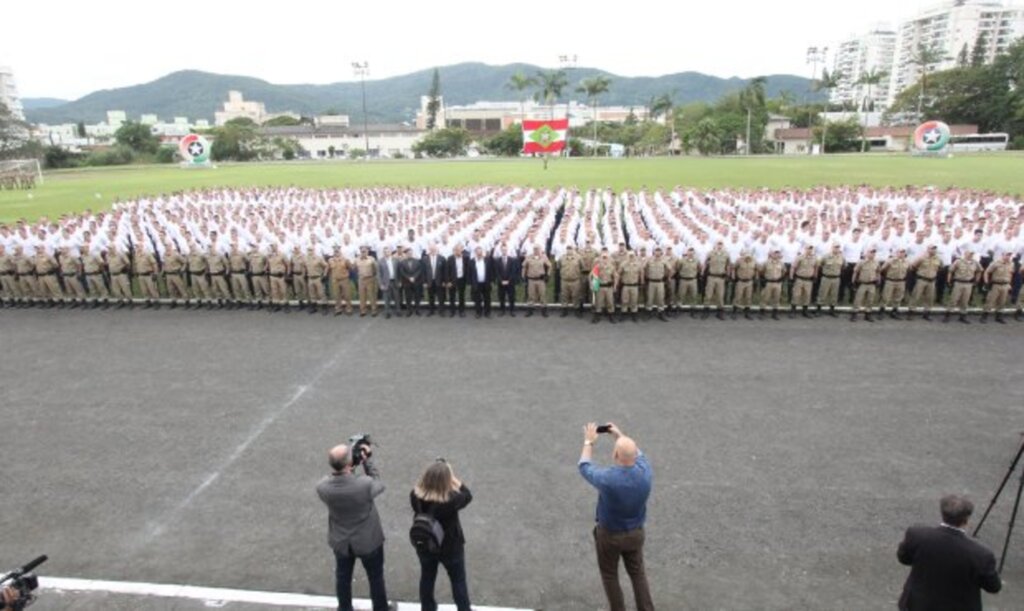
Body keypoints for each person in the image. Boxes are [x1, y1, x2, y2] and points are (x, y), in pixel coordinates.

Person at [579, 422, 654, 611]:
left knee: (610, 575)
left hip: (610, 535)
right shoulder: (645, 471)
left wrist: (589, 441)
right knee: (637, 573)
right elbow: (636, 452)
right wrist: (619, 435)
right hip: (635, 533)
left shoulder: (608, 479)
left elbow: (584, 466)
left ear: (615, 455)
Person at [316, 442, 394, 611]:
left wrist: (349, 467)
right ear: (349, 463)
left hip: (341, 541)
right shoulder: (364, 485)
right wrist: (367, 461)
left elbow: (339, 481)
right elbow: (378, 484)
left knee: (343, 578)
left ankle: (344, 608)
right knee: (375, 577)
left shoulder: (322, 487)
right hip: (368, 541)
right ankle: (380, 608)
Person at [897, 494, 1001, 611]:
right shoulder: (981, 555)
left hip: (917, 604)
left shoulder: (916, 535)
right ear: (966, 520)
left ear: (943, 514)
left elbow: (904, 558)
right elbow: (993, 587)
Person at [410, 459, 474, 611]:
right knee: (458, 581)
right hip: (451, 547)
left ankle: (428, 608)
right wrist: (453, 479)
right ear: (446, 481)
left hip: (425, 544)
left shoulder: (414, 495)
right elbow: (467, 495)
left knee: (427, 577)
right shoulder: (451, 500)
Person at [468, 246, 492, 318]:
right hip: (476, 283)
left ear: (482, 253)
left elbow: (490, 271)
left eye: (480, 252)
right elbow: (469, 273)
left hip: (486, 283)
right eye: (478, 252)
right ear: (475, 253)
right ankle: (478, 312)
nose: (479, 254)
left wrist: (490, 281)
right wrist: (471, 283)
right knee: (477, 299)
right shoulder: (472, 261)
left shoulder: (487, 260)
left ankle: (487, 313)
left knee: (487, 298)